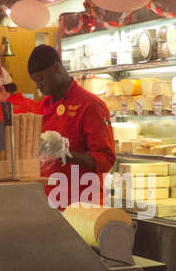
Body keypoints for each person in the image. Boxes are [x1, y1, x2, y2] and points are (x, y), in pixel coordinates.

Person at [27, 44, 115, 207]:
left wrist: (65, 153)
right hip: (48, 202)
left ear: (56, 68)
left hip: (82, 204)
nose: (39, 86)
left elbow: (106, 160)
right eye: (35, 82)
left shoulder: (90, 106)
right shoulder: (42, 106)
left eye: (40, 79)